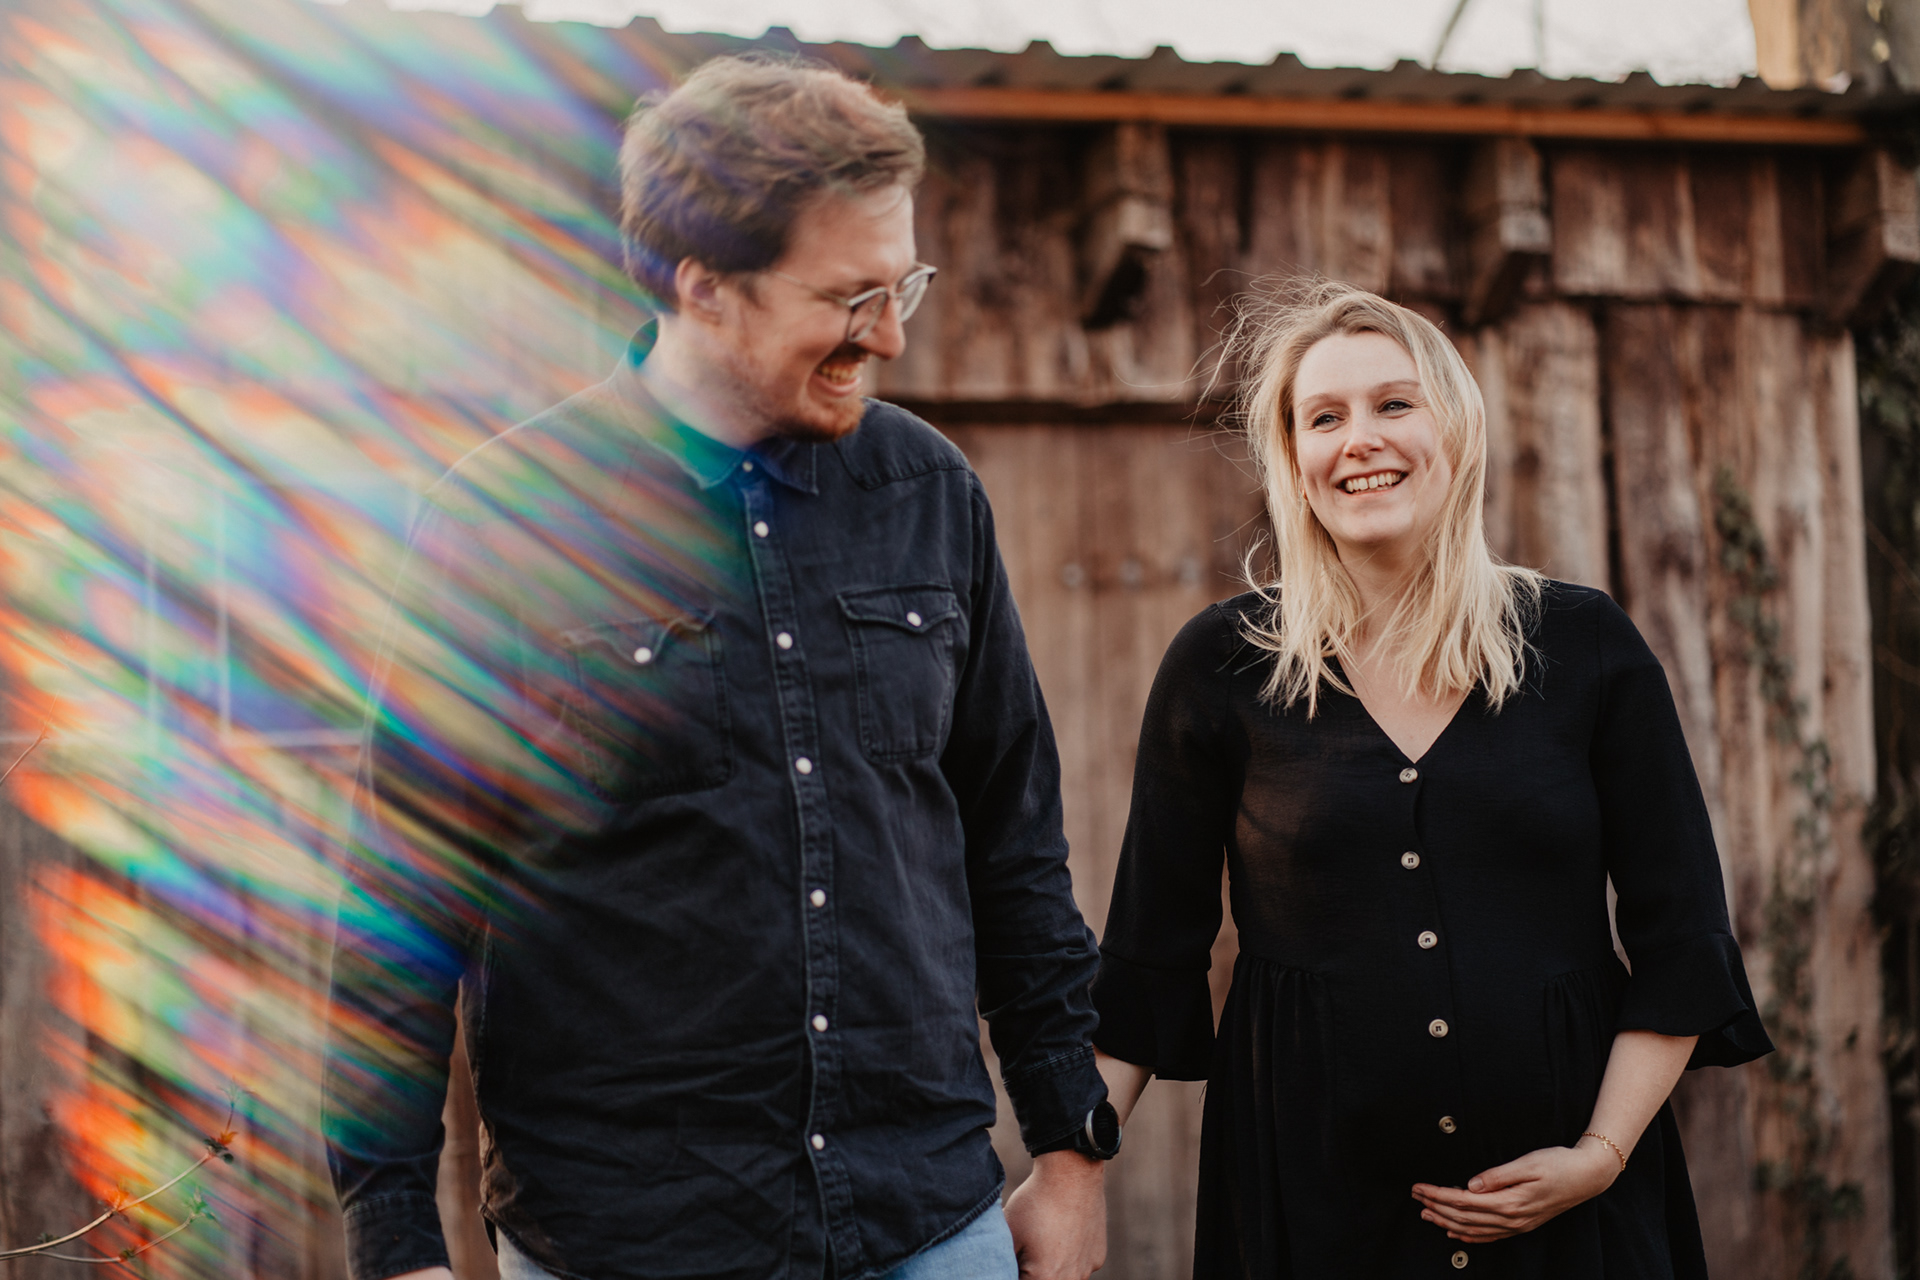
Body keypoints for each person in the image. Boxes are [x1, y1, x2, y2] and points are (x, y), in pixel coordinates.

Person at [323, 55, 1113, 1280]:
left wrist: (1069, 1148)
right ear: (705, 286)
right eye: (851, 296)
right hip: (629, 1240)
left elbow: (1013, 844)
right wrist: (395, 1241)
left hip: (925, 1218)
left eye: (904, 283)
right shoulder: (503, 525)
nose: (892, 332)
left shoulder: (930, 492)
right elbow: (402, 909)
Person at [1089, 282, 1773, 1277]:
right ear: (1293, 458)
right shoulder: (1222, 665)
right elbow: (1148, 958)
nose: (1359, 438)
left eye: (1393, 403)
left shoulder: (1586, 646)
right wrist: (1069, 1166)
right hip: (1312, 1210)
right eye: (1324, 417)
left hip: (1575, 1219)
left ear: (1454, 427)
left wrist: (1599, 1155)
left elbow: (1684, 939)